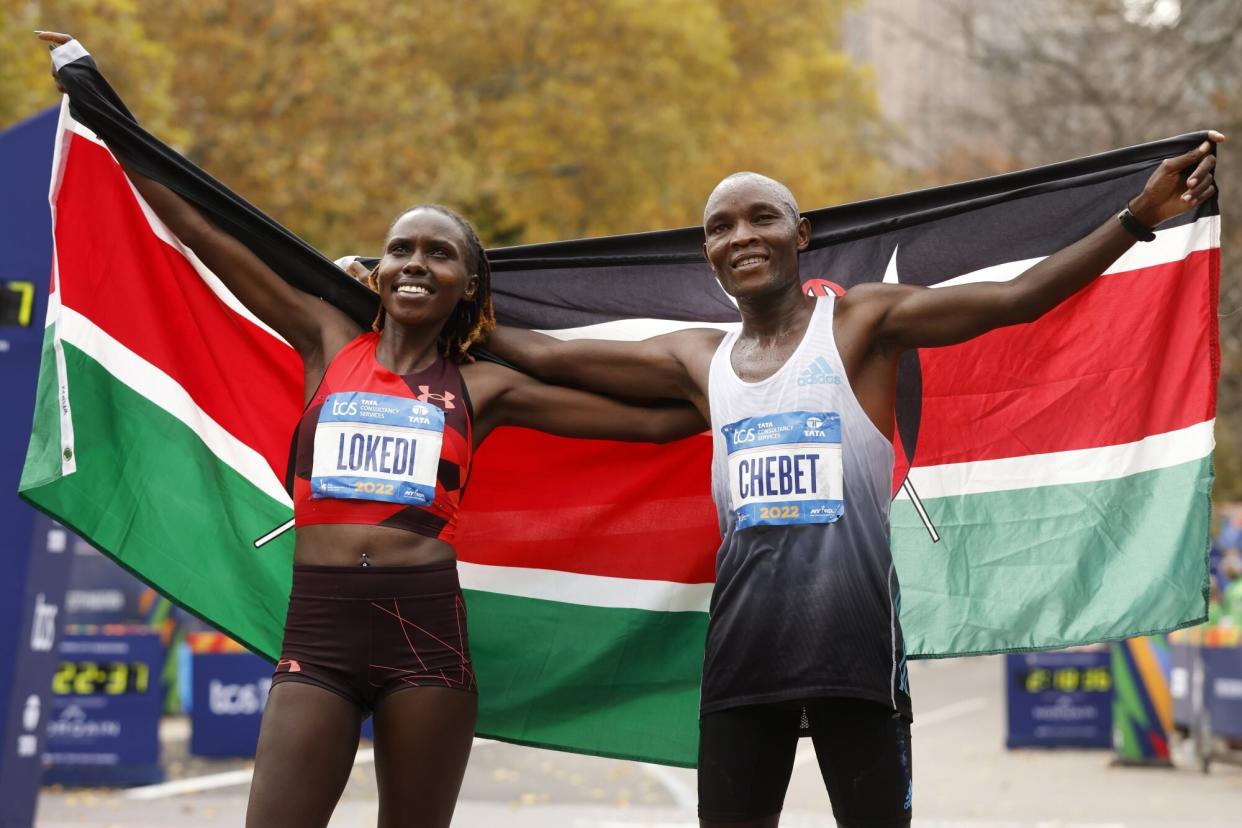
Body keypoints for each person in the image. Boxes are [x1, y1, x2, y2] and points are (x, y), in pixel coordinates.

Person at [38, 32, 707, 828]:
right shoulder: (325, 337)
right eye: (400, 249)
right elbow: (205, 229)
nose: (415, 262)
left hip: (425, 633)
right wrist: (100, 105)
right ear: (378, 270)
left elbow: (661, 422)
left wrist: (736, 387)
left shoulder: (481, 386)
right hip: (317, 629)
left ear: (468, 284)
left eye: (439, 254)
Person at [485, 140, 1222, 825]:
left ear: (800, 234)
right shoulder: (696, 358)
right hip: (744, 659)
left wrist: (1136, 217)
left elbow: (1016, 298)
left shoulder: (860, 323)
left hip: (855, 654)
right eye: (720, 227)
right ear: (707, 254)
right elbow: (551, 359)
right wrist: (445, 318)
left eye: (760, 217)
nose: (740, 235)